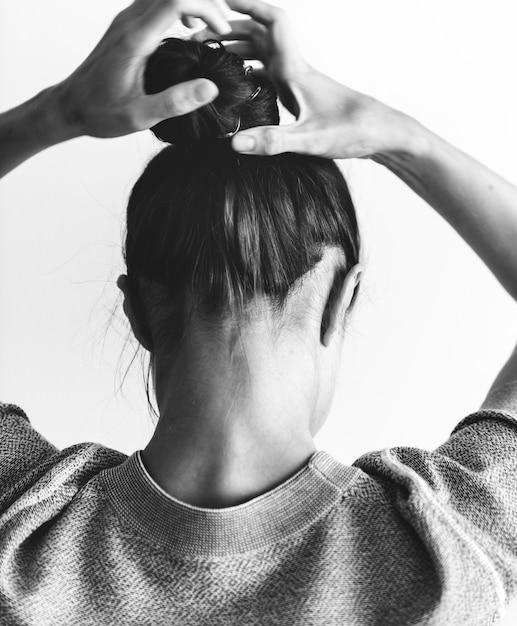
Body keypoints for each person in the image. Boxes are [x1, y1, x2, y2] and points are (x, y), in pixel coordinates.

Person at [1, 0, 517, 624]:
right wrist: (403, 140)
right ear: (341, 301)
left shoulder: (23, 528)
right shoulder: (446, 548)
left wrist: (53, 114)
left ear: (136, 309)